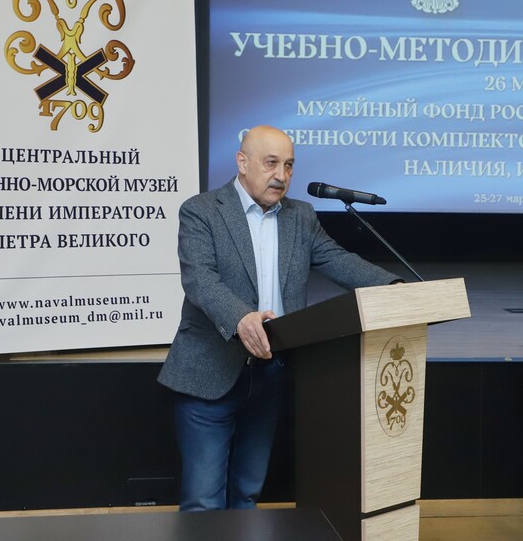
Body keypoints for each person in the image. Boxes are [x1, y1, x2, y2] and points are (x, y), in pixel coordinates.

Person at [158, 125, 397, 511]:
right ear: (242, 162)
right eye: (271, 163)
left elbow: (337, 260)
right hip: (209, 375)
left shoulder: (301, 216)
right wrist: (241, 318)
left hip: (270, 375)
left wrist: (395, 287)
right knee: (203, 502)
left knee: (247, 495)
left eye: (288, 165)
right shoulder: (202, 210)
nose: (281, 176)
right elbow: (200, 279)